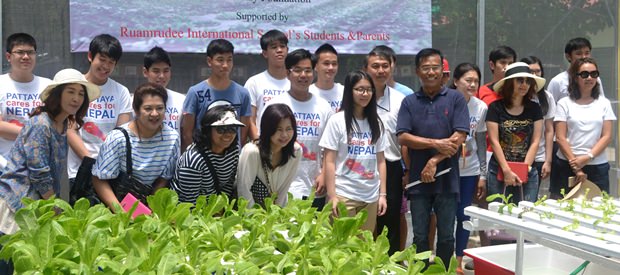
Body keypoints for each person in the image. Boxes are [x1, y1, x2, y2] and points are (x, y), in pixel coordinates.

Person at [0, 68, 99, 234]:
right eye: (70, 92)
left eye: (81, 94)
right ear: (57, 94)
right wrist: (57, 209)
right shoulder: (41, 124)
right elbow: (39, 173)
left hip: (36, 208)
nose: (76, 99)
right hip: (16, 207)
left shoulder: (62, 125)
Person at [397, 48, 468, 269]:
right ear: (418, 71)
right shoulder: (409, 102)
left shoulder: (455, 98)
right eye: (426, 68)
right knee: (420, 236)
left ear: (442, 70)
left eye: (435, 67)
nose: (431, 72)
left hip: (447, 180)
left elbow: (460, 135)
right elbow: (403, 136)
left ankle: (444, 272)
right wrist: (435, 143)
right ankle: (421, 272)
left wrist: (433, 160)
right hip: (418, 181)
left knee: (447, 235)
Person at [262, 49, 333, 209]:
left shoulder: (324, 107)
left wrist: (324, 174)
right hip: (281, 188)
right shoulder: (275, 104)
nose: (303, 75)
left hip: (315, 187)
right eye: (298, 70)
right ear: (288, 73)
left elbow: (330, 148)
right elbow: (265, 144)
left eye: (308, 70)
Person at [92, 83, 179, 208]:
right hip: (113, 203)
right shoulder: (118, 138)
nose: (155, 114)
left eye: (160, 108)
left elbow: (163, 179)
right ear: (136, 110)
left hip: (146, 203)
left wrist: (150, 208)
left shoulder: (172, 138)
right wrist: (120, 211)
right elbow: (99, 179)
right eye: (148, 109)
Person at [320, 70, 387, 232]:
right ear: (349, 91)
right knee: (342, 248)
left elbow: (381, 160)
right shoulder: (337, 120)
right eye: (359, 89)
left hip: (370, 196)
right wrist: (332, 195)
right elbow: (329, 161)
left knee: (364, 248)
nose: (365, 94)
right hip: (344, 194)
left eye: (369, 89)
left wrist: (382, 195)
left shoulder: (376, 123)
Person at [67, 34, 133, 190]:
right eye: (102, 60)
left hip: (110, 173)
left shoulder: (121, 91)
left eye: (111, 62)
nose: (106, 66)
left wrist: (105, 166)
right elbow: (70, 130)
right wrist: (90, 162)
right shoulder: (75, 87)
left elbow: (121, 134)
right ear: (90, 56)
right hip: (79, 171)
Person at [364, 45, 406, 255]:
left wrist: (406, 171)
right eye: (375, 66)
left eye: (384, 66)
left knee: (390, 219)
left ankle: (390, 263)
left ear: (391, 68)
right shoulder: (357, 97)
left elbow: (404, 139)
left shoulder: (400, 99)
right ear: (366, 68)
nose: (380, 70)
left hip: (391, 167)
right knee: (363, 218)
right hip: (361, 166)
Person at [553, 57, 615, 195]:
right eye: (584, 74)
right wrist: (576, 166)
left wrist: (588, 157)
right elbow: (560, 137)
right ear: (575, 77)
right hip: (566, 164)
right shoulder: (564, 103)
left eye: (594, 74)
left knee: (599, 209)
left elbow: (607, 136)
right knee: (562, 208)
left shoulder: (604, 103)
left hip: (597, 166)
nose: (589, 78)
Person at [485, 62, 544, 203]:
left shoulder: (535, 108)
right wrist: (506, 170)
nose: (524, 85)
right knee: (497, 216)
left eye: (528, 81)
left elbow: (536, 141)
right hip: (499, 169)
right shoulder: (495, 107)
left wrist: (523, 170)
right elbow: (494, 141)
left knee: (526, 215)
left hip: (528, 169)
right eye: (520, 80)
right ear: (509, 82)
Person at [450, 63, 487, 273]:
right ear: (456, 81)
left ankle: (459, 260)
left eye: (476, 81)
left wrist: (482, 173)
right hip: (447, 170)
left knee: (464, 215)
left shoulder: (480, 107)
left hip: (469, 170)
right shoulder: (445, 102)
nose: (472, 84)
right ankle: (443, 258)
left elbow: (481, 142)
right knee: (445, 215)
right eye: (468, 80)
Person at [181, 39, 251, 151]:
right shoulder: (195, 92)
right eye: (220, 60)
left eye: (229, 60)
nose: (225, 65)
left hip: (231, 160)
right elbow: (187, 133)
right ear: (209, 61)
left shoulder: (243, 93)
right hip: (203, 158)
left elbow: (242, 135)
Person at [171, 105, 244, 203]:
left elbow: (227, 186)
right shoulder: (193, 159)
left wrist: (221, 208)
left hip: (214, 207)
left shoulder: (233, 151)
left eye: (233, 129)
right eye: (221, 129)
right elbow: (188, 202)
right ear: (208, 130)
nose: (228, 134)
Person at [0, 33, 52, 163]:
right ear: (8, 56)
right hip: (6, 165)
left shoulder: (49, 86)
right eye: (20, 52)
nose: (26, 57)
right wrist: (35, 133)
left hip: (40, 164)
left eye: (30, 52)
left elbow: (54, 126)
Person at [237, 104, 302, 207]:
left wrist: (276, 216)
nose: (284, 135)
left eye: (289, 129)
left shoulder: (296, 151)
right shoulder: (252, 152)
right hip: (248, 213)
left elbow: (284, 190)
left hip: (273, 213)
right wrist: (254, 220)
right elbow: (243, 191)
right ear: (268, 129)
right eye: (279, 129)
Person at [245, 30, 290, 141]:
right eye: (274, 47)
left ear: (287, 50)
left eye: (282, 46)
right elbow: (250, 120)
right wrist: (259, 143)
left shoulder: (296, 81)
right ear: (265, 53)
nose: (279, 50)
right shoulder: (254, 83)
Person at [521, 56, 556, 196]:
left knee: (531, 198)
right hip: (516, 156)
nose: (534, 75)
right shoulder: (516, 96)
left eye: (538, 71)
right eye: (531, 71)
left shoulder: (547, 97)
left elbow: (549, 130)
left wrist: (548, 160)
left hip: (539, 157)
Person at [143, 46, 186, 135]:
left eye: (166, 71)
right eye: (156, 71)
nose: (162, 76)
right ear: (145, 72)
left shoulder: (181, 100)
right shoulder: (134, 101)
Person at [547, 37, 605, 103]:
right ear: (568, 56)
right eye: (579, 54)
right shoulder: (557, 82)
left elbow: (601, 103)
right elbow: (550, 109)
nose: (584, 57)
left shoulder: (595, 79)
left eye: (587, 53)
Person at [310, 43, 343, 112]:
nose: (331, 68)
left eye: (334, 64)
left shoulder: (345, 92)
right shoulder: (308, 92)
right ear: (315, 66)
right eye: (326, 63)